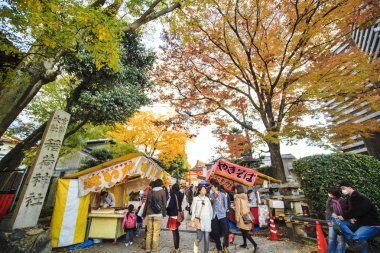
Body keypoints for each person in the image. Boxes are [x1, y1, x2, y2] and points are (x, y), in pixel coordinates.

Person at [336, 181, 380, 252]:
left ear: (350, 188)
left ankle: (354, 239)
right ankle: (354, 239)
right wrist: (350, 218)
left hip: (371, 225)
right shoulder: (349, 198)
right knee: (339, 222)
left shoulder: (360, 197)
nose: (342, 190)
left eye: (343, 188)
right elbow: (347, 209)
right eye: (341, 189)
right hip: (359, 223)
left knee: (357, 241)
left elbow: (358, 210)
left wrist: (345, 216)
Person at [142, 179, 167, 253]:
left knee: (149, 232)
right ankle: (154, 250)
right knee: (156, 233)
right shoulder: (162, 191)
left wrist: (143, 214)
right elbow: (164, 204)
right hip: (158, 215)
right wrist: (164, 213)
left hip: (149, 214)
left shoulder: (150, 192)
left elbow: (146, 204)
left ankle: (148, 250)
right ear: (161, 184)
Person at [234, 185, 258, 253]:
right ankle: (245, 244)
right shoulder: (245, 196)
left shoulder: (237, 198)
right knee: (243, 231)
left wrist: (237, 217)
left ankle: (255, 245)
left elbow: (238, 209)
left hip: (242, 217)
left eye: (235, 189)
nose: (235, 191)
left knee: (245, 232)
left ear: (238, 190)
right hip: (247, 215)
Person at [191, 184, 213, 253]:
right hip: (199, 221)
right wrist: (193, 220)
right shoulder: (195, 199)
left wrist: (210, 218)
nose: (204, 191)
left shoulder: (207, 199)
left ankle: (206, 252)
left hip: (207, 221)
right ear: (199, 191)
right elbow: (193, 210)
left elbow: (210, 209)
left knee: (206, 239)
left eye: (205, 189)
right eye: (202, 189)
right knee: (199, 238)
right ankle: (195, 250)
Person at [210, 181, 229, 253]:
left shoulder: (223, 195)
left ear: (216, 187)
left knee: (226, 231)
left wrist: (223, 211)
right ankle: (219, 248)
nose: (211, 188)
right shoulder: (211, 195)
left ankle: (225, 246)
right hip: (214, 216)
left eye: (212, 186)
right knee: (215, 232)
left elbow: (226, 205)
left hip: (222, 216)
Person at [325, 187, 346, 253]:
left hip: (341, 221)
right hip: (332, 220)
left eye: (329, 193)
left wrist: (343, 217)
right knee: (331, 239)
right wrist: (328, 220)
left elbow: (345, 211)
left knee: (341, 240)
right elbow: (328, 211)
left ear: (334, 194)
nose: (328, 194)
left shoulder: (342, 200)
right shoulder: (329, 200)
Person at [166, 183, 184, 253]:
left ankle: (176, 249)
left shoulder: (174, 195)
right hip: (178, 214)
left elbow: (170, 206)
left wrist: (166, 209)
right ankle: (177, 248)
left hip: (173, 215)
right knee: (176, 232)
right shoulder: (180, 194)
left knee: (174, 233)